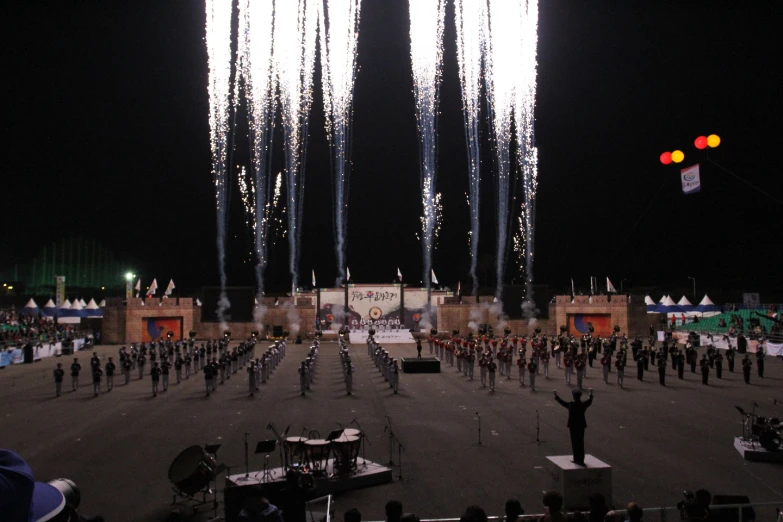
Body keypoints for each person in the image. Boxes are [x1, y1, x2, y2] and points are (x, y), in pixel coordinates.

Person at [554, 389, 594, 465]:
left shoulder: (571, 404)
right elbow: (590, 401)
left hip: (573, 425)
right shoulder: (583, 404)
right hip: (581, 425)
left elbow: (562, 403)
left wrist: (556, 396)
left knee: (574, 442)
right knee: (580, 442)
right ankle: (581, 459)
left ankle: (576, 458)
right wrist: (590, 393)